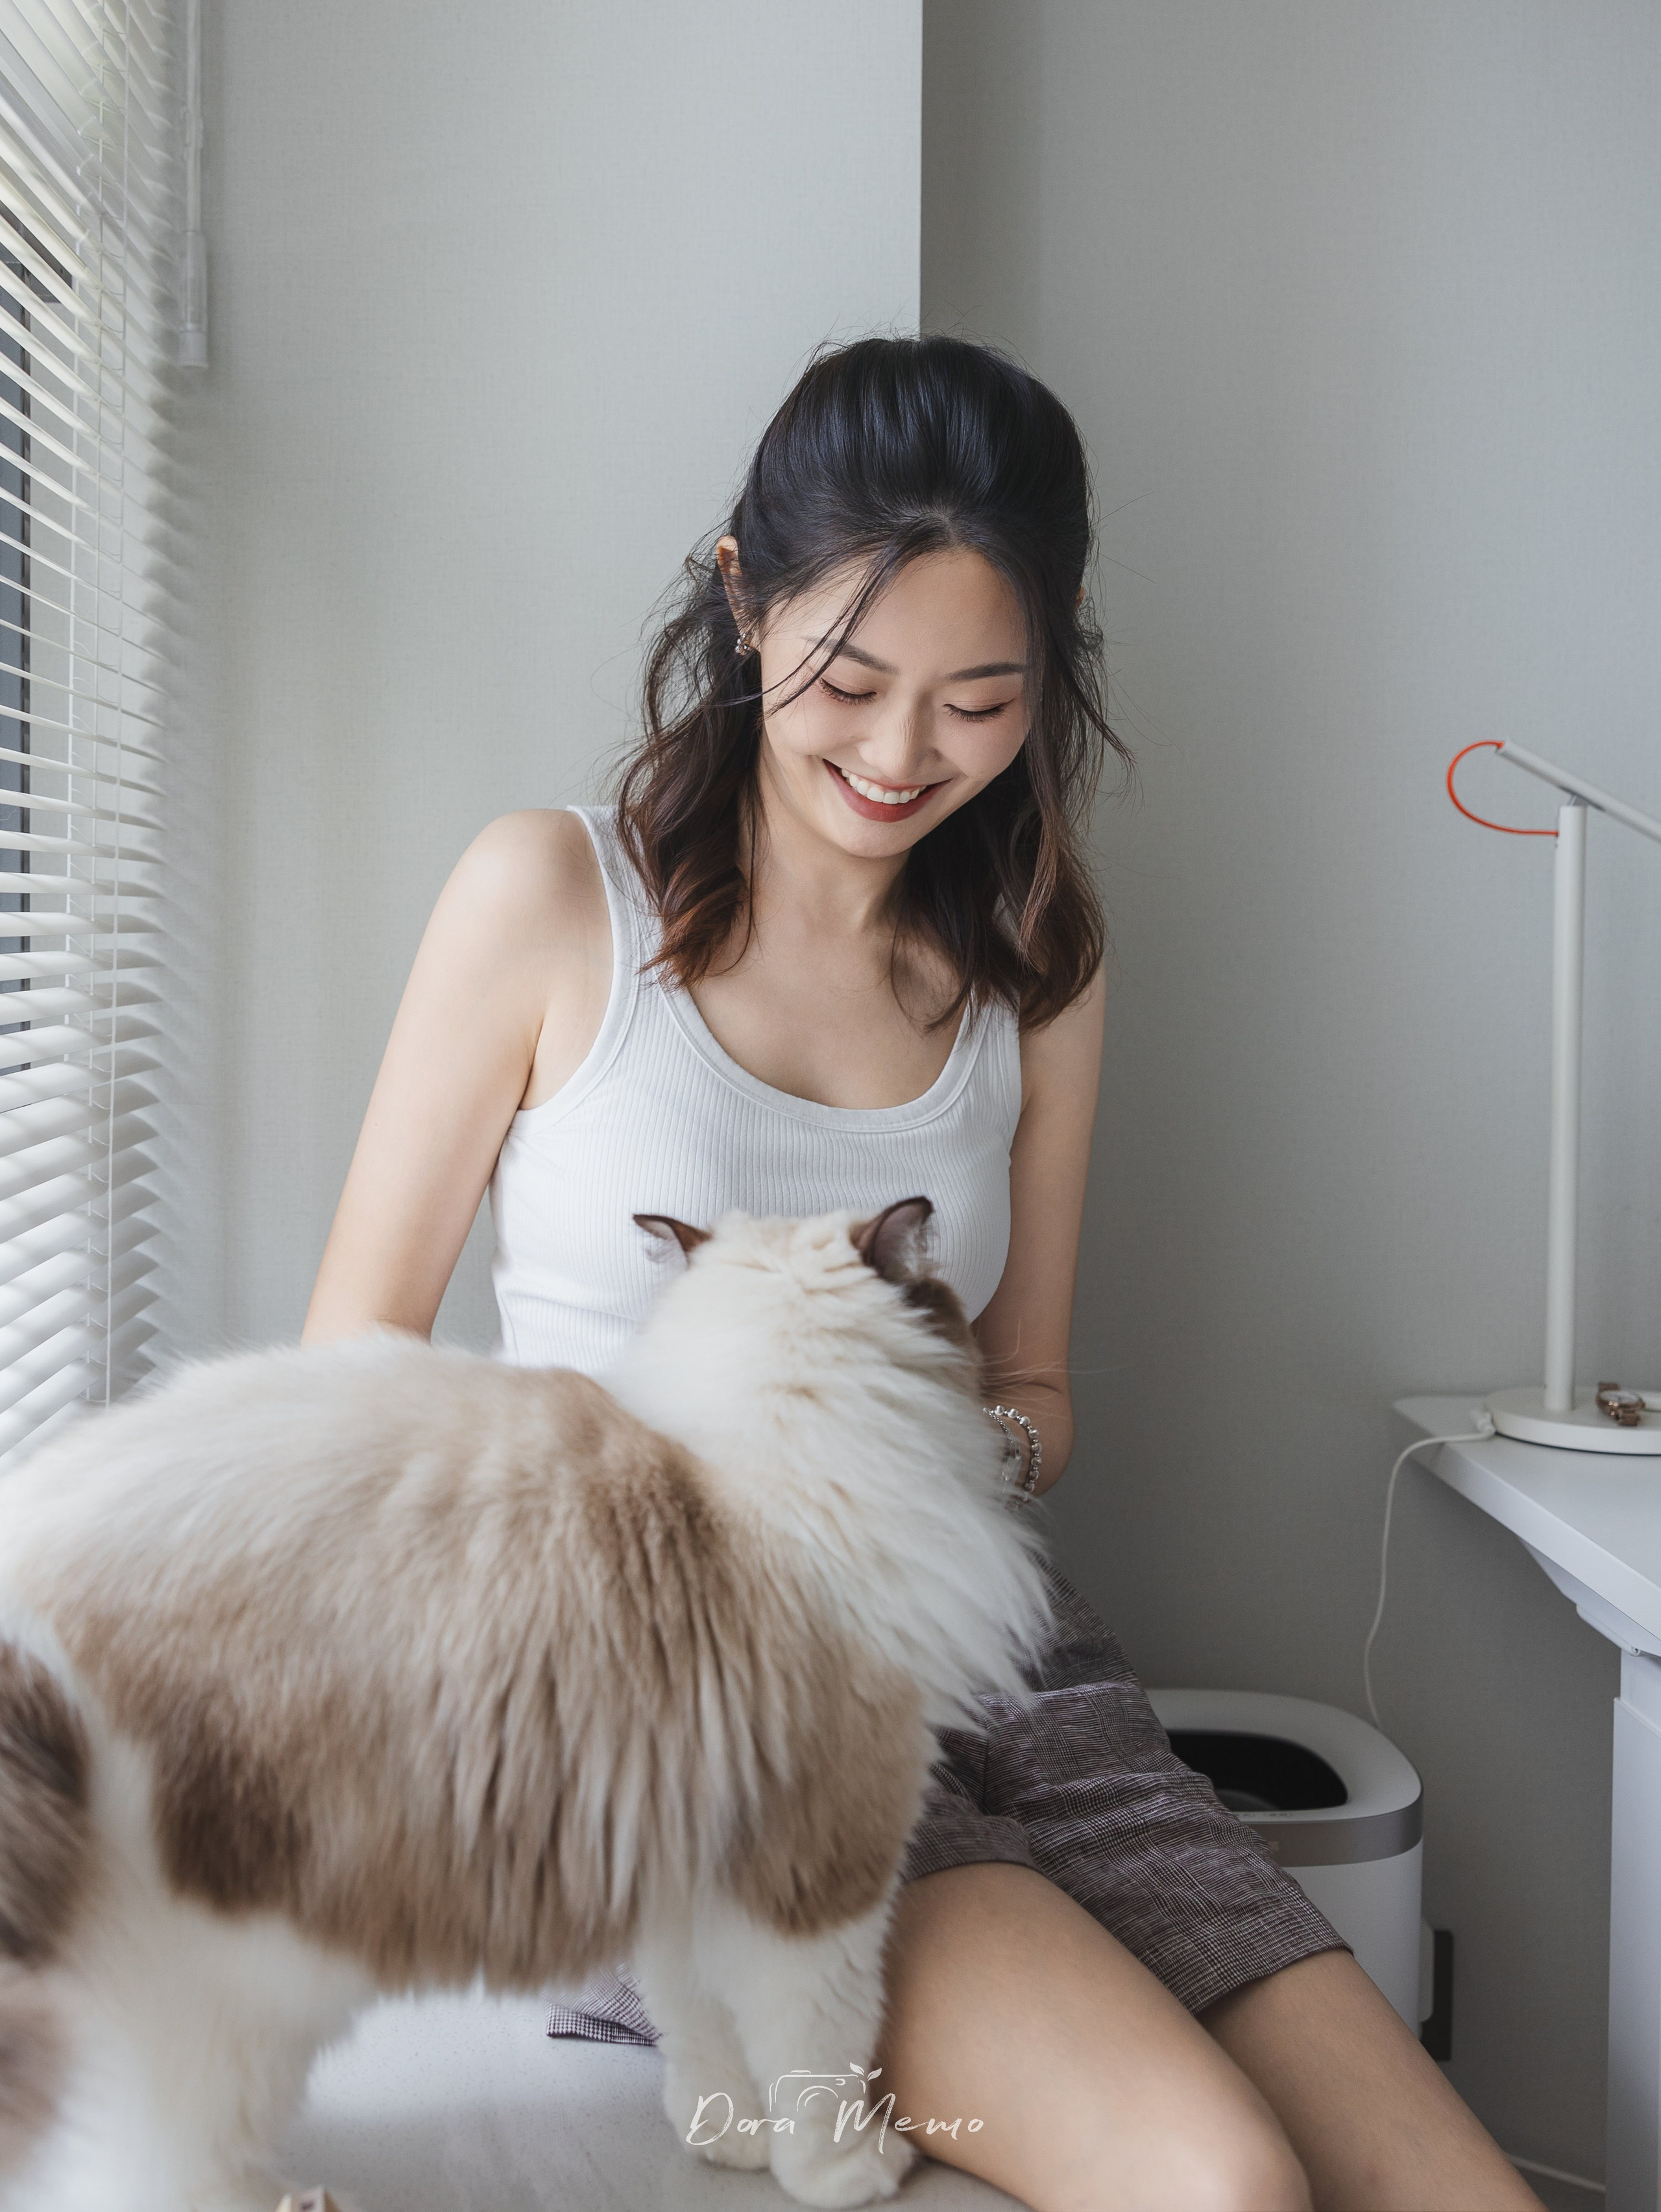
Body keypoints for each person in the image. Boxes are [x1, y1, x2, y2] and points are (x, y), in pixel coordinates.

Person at [304, 335, 1541, 2212]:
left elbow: (1035, 1387)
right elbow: (349, 1366)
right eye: (852, 680)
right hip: (711, 1716)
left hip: (1010, 1662)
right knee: (1216, 2181)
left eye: (980, 698)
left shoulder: (1040, 960)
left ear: (1050, 678)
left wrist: (959, 1448)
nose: (901, 757)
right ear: (743, 598)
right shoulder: (552, 901)